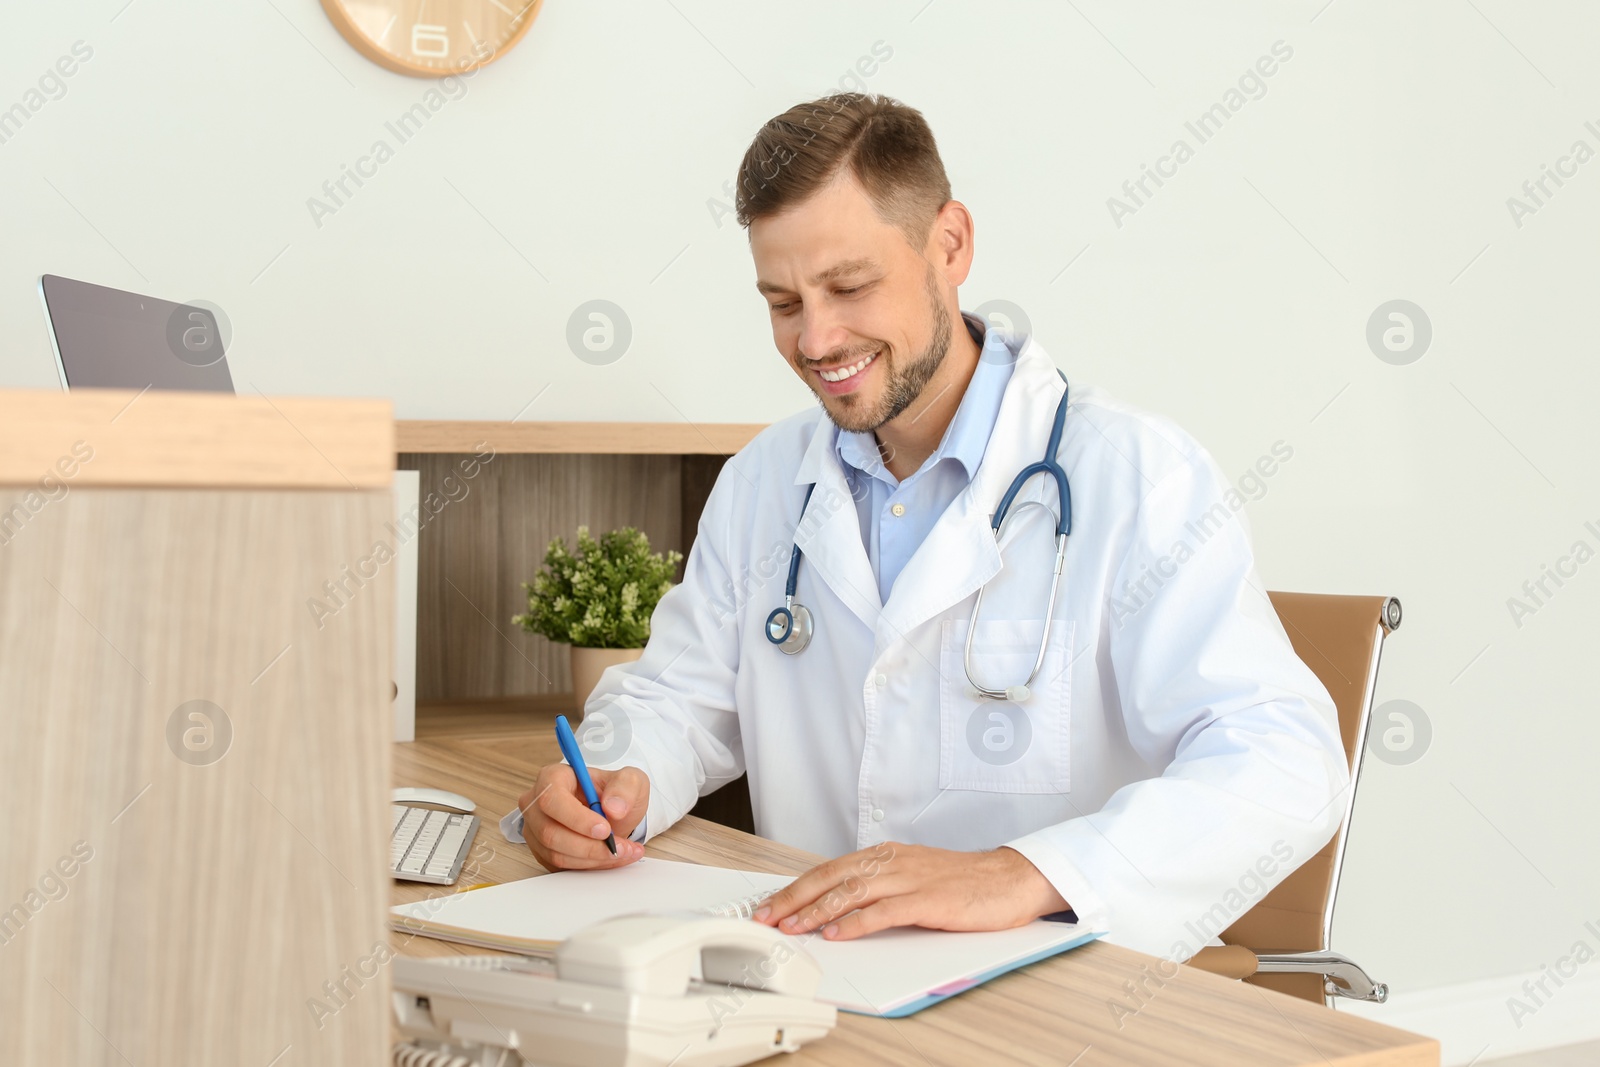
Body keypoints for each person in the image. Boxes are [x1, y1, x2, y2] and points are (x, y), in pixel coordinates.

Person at [504, 92, 1349, 960]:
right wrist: (613, 777)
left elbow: (1286, 761)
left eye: (849, 286)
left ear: (950, 244)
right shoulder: (764, 481)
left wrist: (1020, 874)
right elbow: (674, 700)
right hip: (820, 975)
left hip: (1051, 986)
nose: (817, 338)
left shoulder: (1138, 476)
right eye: (783, 301)